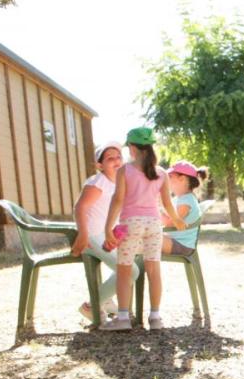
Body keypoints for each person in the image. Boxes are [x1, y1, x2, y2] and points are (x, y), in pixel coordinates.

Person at [99, 127, 185, 332]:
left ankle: (122, 318)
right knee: (154, 270)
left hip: (131, 224)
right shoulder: (161, 173)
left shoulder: (125, 171)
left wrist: (108, 227)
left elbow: (118, 200)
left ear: (132, 147)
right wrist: (176, 220)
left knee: (124, 269)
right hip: (154, 224)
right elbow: (167, 203)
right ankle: (155, 317)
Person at [70, 141, 141, 322]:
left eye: (119, 157)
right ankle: (91, 306)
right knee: (130, 271)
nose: (116, 161)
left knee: (131, 261)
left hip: (107, 234)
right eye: (110, 158)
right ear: (100, 165)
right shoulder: (98, 182)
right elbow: (80, 208)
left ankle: (107, 299)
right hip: (93, 236)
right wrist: (83, 234)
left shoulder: (119, 182)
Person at [160, 161, 206, 256]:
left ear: (182, 179)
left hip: (182, 245)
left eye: (170, 177)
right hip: (174, 241)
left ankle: (136, 269)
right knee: (142, 236)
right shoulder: (180, 199)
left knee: (146, 239)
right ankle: (138, 268)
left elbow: (169, 223)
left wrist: (155, 210)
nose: (167, 181)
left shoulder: (187, 201)